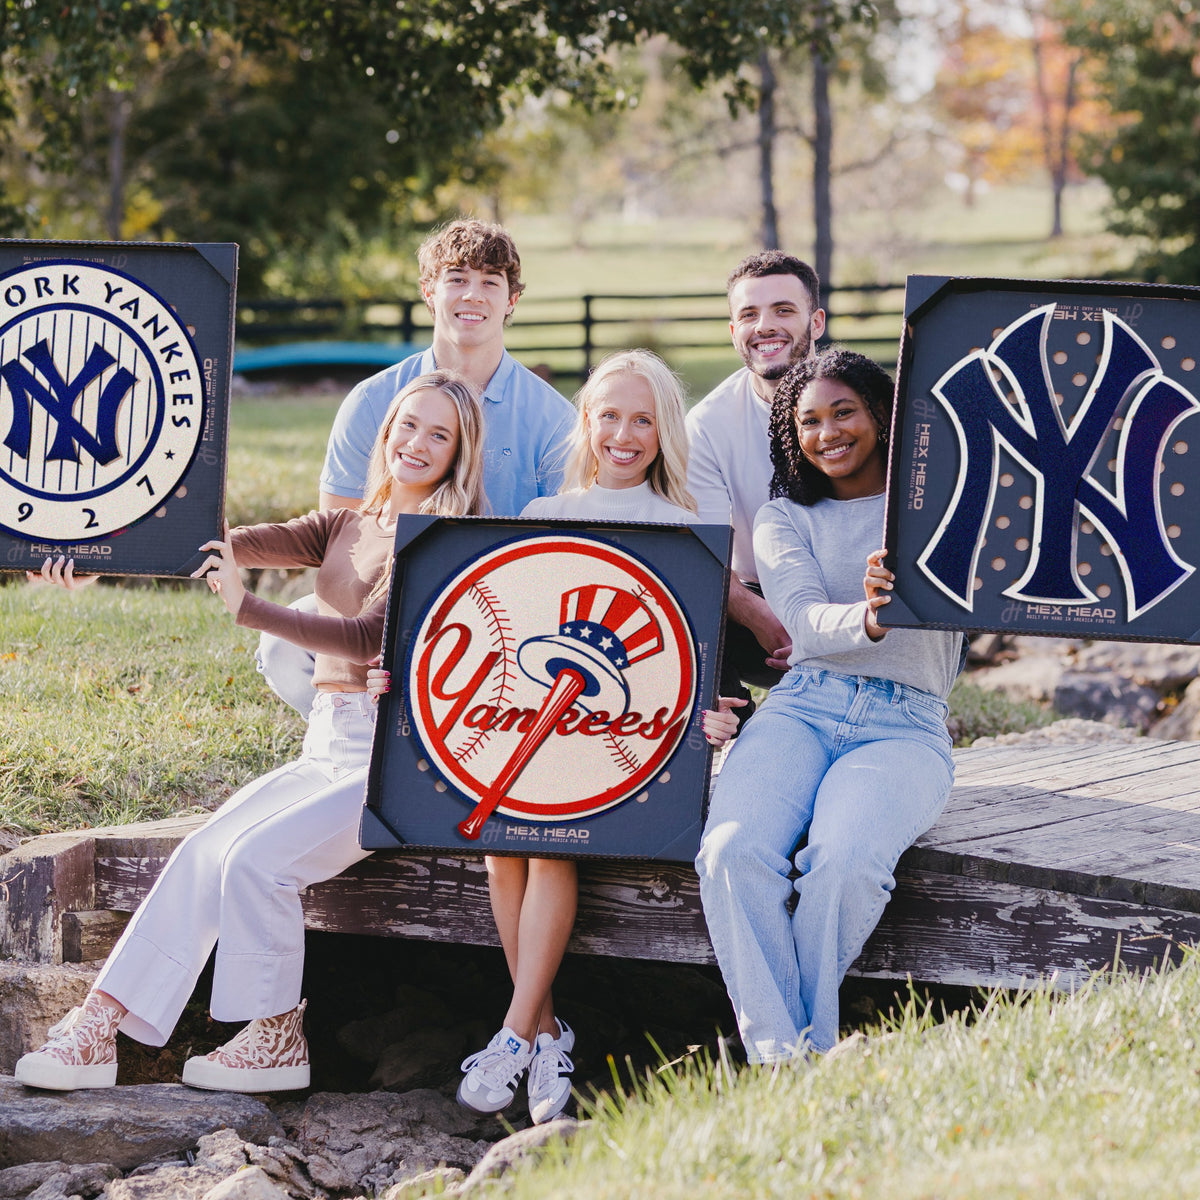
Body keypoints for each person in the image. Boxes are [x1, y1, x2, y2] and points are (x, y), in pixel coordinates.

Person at [14, 371, 487, 1093]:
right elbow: (213, 546)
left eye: (438, 434)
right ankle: (99, 1028)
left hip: (399, 761)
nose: (416, 443)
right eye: (407, 425)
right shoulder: (349, 523)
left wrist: (246, 609)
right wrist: (99, 562)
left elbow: (365, 637)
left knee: (259, 862)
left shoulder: (442, 539)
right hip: (328, 744)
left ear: (460, 453)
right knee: (207, 849)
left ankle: (275, 1040)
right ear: (386, 428)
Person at [367, 349, 741, 1123]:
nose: (624, 434)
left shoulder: (690, 534)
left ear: (666, 431)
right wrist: (400, 680)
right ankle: (544, 1034)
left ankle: (512, 1029)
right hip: (528, 727)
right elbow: (493, 641)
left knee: (547, 840)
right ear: (585, 422)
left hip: (617, 746)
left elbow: (706, 670)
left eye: (643, 420)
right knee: (504, 841)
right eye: (609, 415)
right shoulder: (539, 518)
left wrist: (719, 714)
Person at [695, 347, 963, 1064]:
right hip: (804, 707)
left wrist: (918, 579)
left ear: (881, 412)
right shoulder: (784, 519)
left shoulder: (938, 508)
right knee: (729, 853)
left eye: (844, 411)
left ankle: (795, 1057)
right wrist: (874, 616)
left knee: (842, 861)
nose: (827, 432)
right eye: (809, 420)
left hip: (904, 723)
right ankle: (789, 1058)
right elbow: (806, 623)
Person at [259, 219, 576, 717]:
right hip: (381, 605)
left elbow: (565, 552)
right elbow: (340, 540)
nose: (473, 294)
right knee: (279, 647)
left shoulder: (555, 419)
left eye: (491, 282)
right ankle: (349, 744)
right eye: (457, 278)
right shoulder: (371, 401)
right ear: (429, 292)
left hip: (500, 615)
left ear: (511, 300)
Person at [686, 250, 826, 715]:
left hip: (853, 593)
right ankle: (738, 729)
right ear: (733, 332)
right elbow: (704, 550)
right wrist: (759, 615)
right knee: (687, 601)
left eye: (783, 310)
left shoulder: (868, 406)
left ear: (817, 322)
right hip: (760, 600)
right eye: (749, 314)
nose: (765, 326)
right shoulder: (707, 425)